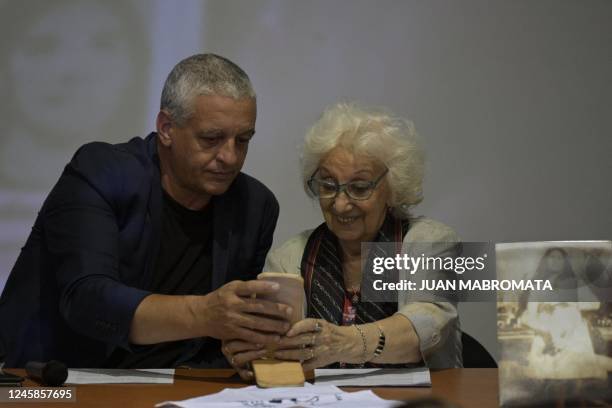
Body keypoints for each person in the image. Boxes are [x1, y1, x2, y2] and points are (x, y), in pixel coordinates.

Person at [0, 54, 293, 368]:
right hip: (51, 380)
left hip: (178, 386)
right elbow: (87, 298)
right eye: (211, 138)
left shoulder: (255, 206)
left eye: (243, 140)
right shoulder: (100, 172)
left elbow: (229, 333)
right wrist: (204, 315)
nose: (231, 157)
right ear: (166, 127)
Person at [223, 102, 462, 379]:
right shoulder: (291, 255)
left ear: (394, 188)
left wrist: (343, 343)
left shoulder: (435, 242)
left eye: (359, 188)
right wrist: (256, 353)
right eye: (327, 185)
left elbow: (426, 327)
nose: (340, 204)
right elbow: (280, 354)